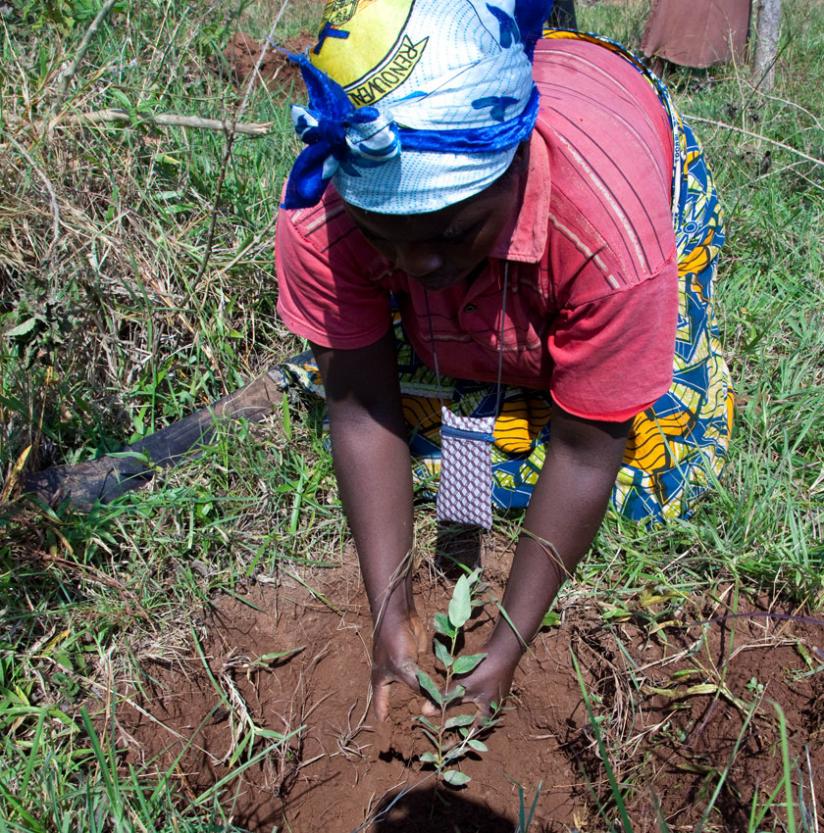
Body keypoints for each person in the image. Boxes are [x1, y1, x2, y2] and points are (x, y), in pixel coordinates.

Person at [274, 0, 733, 720]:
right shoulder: (322, 212)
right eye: (384, 236)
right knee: (447, 423)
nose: (418, 263)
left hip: (623, 138)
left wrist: (510, 645)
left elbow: (586, 454)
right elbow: (360, 407)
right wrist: (387, 614)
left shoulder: (611, 236)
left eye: (452, 231)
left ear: (516, 160)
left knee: (657, 461)